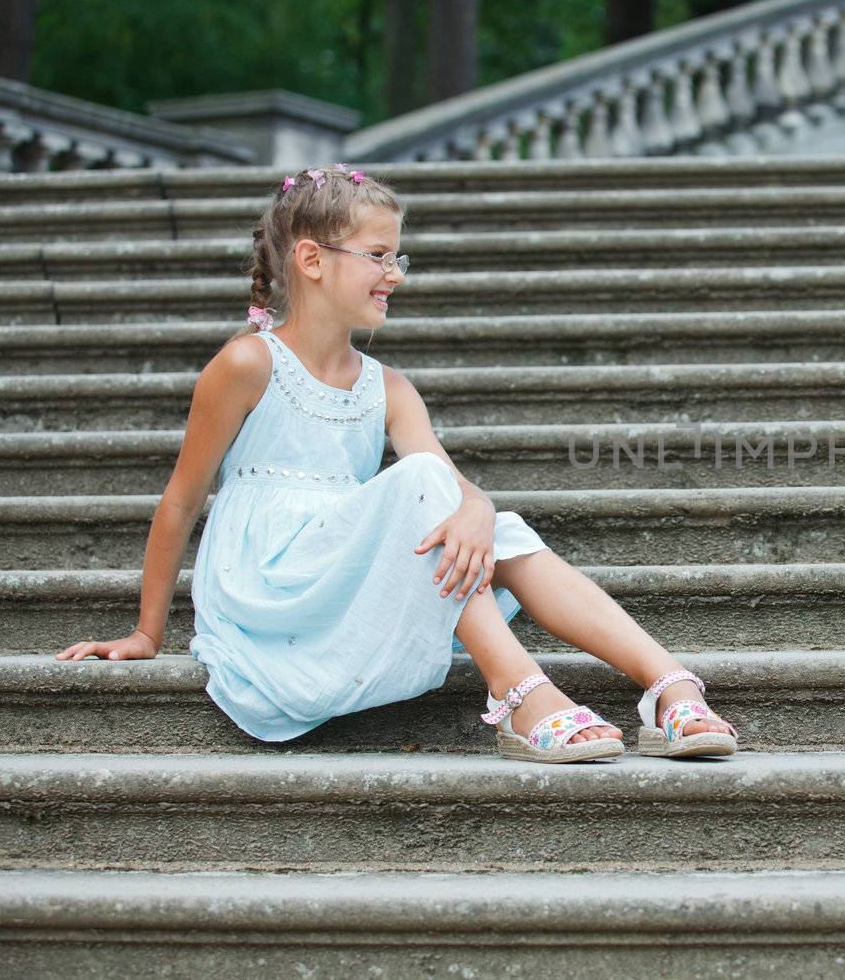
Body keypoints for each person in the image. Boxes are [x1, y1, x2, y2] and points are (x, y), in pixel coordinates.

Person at [56, 165, 738, 763]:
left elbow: (442, 477)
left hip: (345, 566)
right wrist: (149, 631)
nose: (396, 273)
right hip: (270, 585)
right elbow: (180, 498)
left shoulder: (388, 386)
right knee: (424, 492)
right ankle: (520, 691)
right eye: (379, 254)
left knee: (494, 526)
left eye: (398, 254)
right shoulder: (246, 363)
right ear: (312, 259)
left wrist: (474, 507)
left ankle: (666, 683)